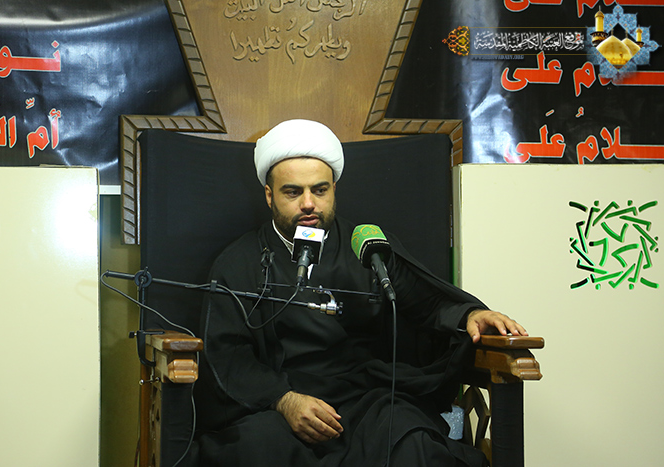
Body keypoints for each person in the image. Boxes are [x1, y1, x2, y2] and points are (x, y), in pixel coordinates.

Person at [197, 119, 528, 466]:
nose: (308, 203)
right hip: (279, 406)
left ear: (334, 190)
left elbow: (425, 301)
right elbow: (229, 353)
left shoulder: (368, 247)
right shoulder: (238, 262)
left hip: (366, 400)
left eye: (320, 190)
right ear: (270, 195)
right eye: (293, 192)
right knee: (255, 448)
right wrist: (284, 399)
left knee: (412, 441)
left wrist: (470, 315)